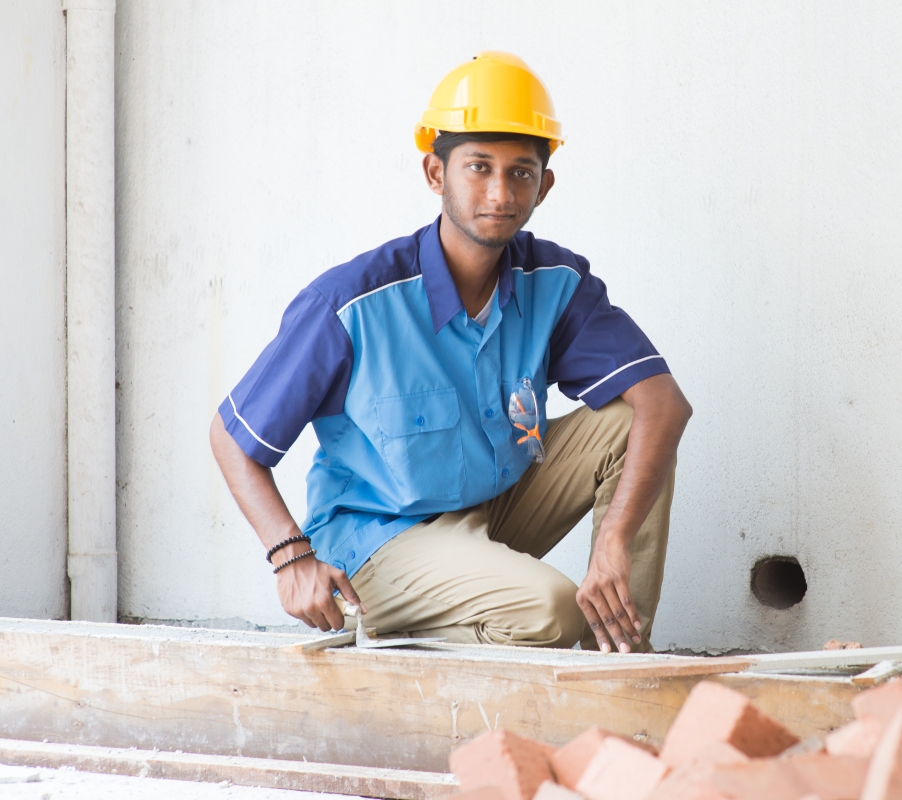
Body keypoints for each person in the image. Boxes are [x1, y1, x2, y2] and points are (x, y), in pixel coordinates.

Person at [209, 52, 691, 654]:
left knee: (631, 424)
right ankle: (398, 625)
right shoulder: (352, 304)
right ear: (436, 174)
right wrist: (289, 557)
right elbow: (232, 438)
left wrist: (614, 538)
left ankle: (622, 660)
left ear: (544, 185)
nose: (499, 191)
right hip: (380, 540)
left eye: (520, 172)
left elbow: (664, 403)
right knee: (553, 612)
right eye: (478, 167)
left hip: (494, 511)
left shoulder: (555, 282)